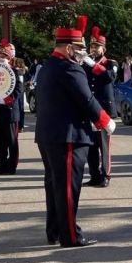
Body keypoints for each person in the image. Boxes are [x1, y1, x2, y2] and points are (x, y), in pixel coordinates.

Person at [34, 15, 116, 247]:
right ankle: (70, 235)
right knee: (68, 188)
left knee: (55, 186)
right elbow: (86, 99)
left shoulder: (50, 65)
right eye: (80, 49)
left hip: (49, 135)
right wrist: (105, 121)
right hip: (68, 135)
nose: (83, 54)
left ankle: (55, 231)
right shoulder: (70, 69)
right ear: (69, 48)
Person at [82, 26, 118, 188]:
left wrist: (92, 64)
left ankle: (106, 175)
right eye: (91, 47)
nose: (93, 49)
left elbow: (109, 77)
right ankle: (94, 175)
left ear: (104, 48)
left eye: (97, 46)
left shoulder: (111, 63)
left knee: (104, 145)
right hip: (89, 109)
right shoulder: (85, 64)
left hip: (104, 110)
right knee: (91, 145)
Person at [0, 39, 24, 175]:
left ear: (10, 58)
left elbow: (18, 91)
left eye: (4, 56)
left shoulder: (15, 72)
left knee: (11, 141)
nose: (1, 59)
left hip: (10, 112)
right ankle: (2, 164)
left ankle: (12, 166)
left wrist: (3, 100)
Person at [14, 58, 27, 132]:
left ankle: (20, 126)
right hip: (21, 91)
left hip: (19, 91)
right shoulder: (23, 70)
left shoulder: (18, 71)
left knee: (19, 109)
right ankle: (20, 126)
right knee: (20, 109)